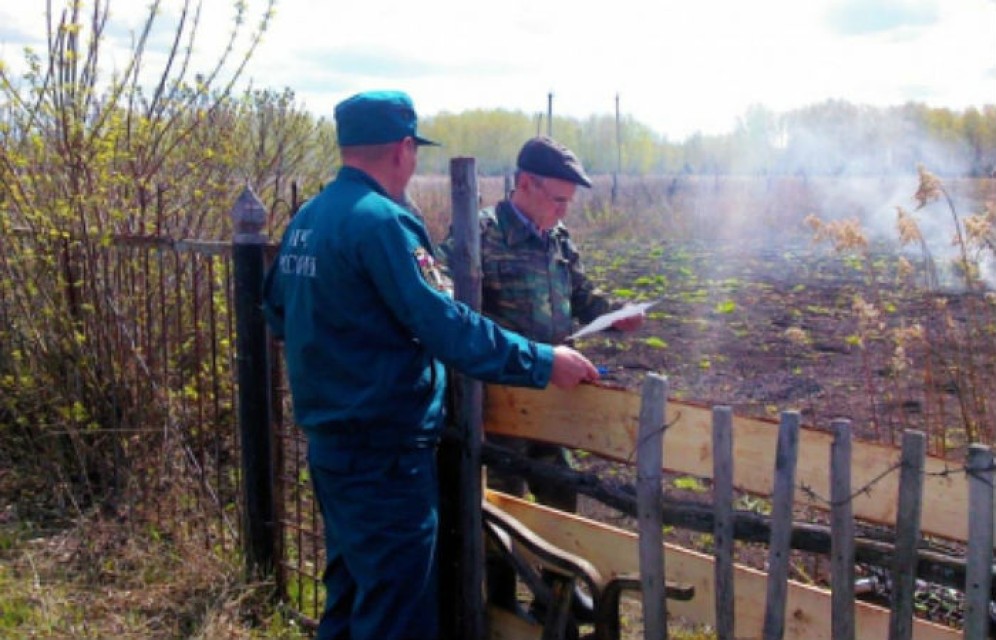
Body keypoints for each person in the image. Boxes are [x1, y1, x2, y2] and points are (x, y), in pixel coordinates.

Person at [261, 91, 601, 640]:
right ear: (402, 149)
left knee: (349, 593)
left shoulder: (309, 219)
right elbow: (449, 328)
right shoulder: (383, 224)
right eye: (414, 150)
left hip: (330, 443)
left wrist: (345, 351)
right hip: (386, 453)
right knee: (396, 606)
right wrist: (542, 361)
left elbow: (278, 312)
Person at [454, 135, 645, 619]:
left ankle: (559, 590)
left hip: (553, 397)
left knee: (560, 492)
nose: (563, 212)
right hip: (502, 402)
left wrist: (613, 313)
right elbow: (456, 318)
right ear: (524, 184)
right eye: (558, 200)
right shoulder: (477, 237)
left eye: (569, 203)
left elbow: (581, 294)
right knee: (503, 504)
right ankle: (500, 602)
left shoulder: (557, 240)